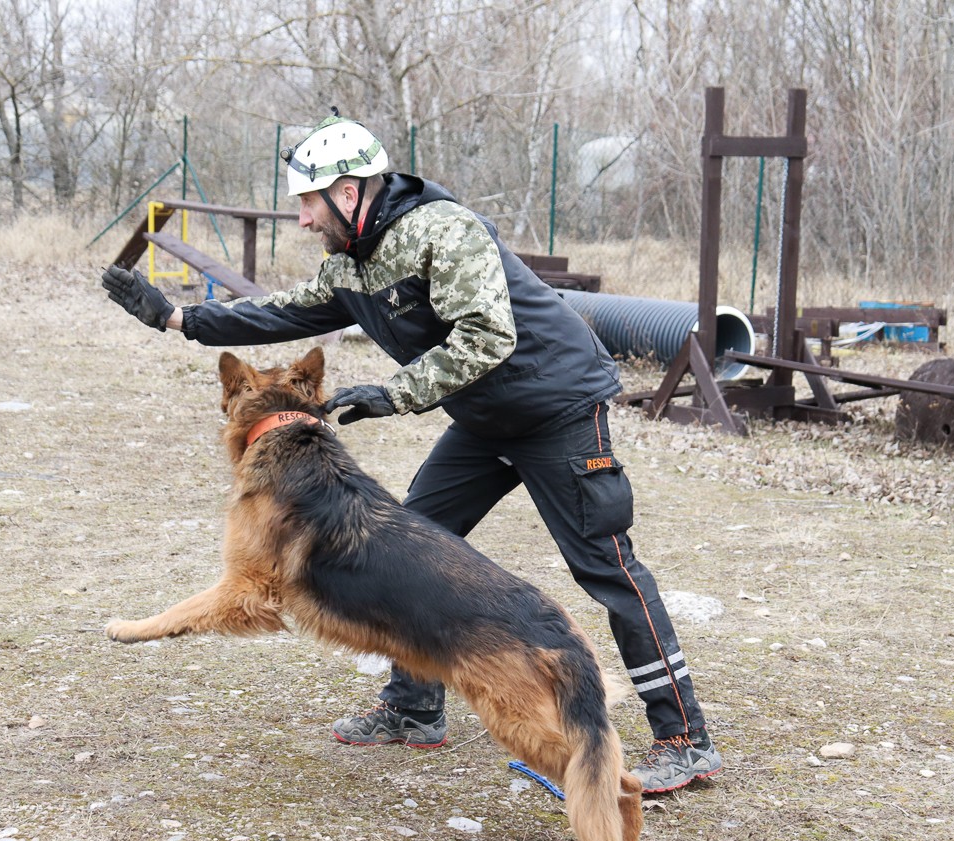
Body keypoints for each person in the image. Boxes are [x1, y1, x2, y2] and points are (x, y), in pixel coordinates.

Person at [100, 111, 722, 793]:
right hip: (484, 417)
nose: (302, 219)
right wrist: (178, 317)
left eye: (308, 202)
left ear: (347, 193)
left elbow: (487, 337)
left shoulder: (442, 231)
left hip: (557, 407)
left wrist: (393, 394)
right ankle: (413, 706)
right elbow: (283, 311)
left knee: (606, 566)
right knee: (407, 539)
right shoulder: (352, 263)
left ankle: (684, 738)